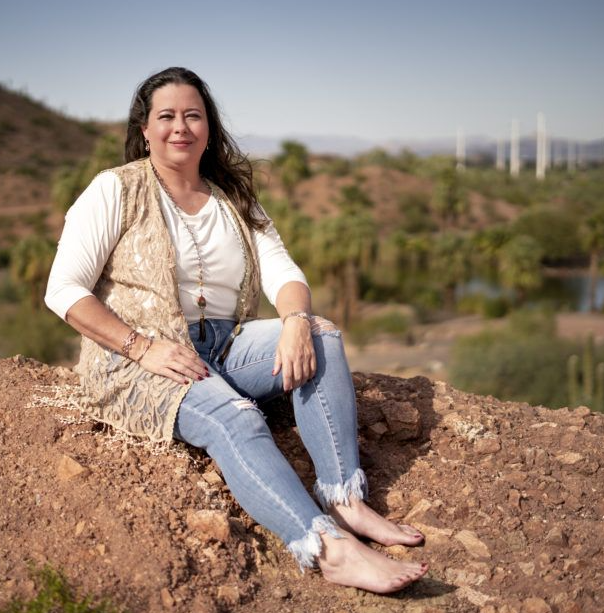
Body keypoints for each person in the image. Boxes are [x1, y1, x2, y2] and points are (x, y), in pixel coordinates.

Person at [44, 67, 428, 593]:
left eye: (193, 115)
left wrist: (295, 321)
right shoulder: (116, 188)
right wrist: (142, 347)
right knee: (237, 417)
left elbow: (284, 273)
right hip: (139, 358)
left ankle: (344, 499)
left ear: (209, 127)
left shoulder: (232, 198)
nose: (181, 127)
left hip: (225, 345)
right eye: (167, 116)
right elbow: (63, 290)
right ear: (145, 129)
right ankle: (327, 548)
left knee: (321, 334)